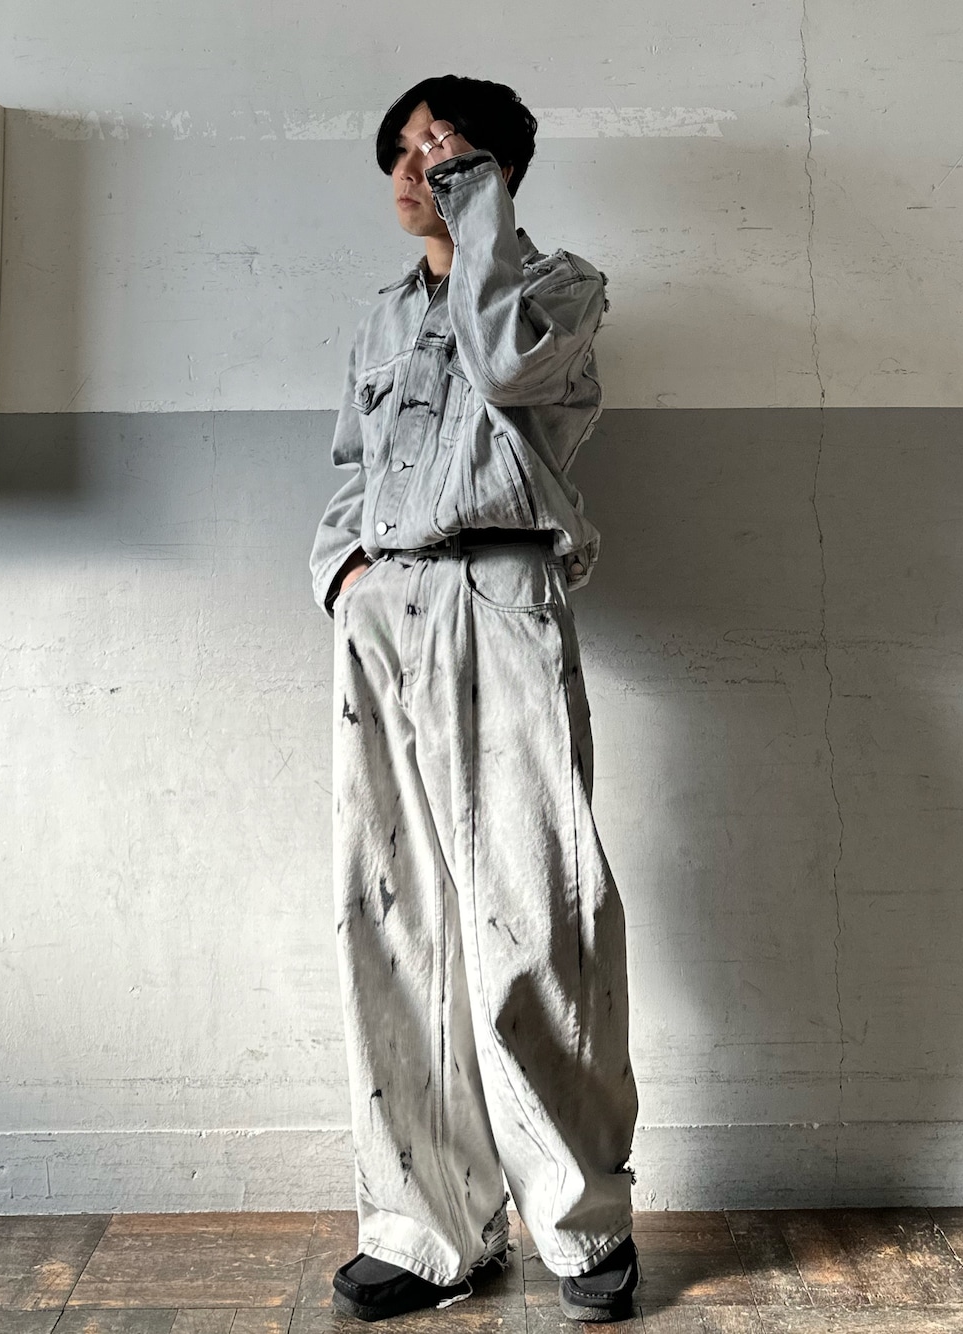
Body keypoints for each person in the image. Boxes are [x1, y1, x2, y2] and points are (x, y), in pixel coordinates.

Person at [308, 74, 640, 1324]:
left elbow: (505, 366)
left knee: (534, 911)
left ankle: (581, 1222)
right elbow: (352, 469)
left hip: (501, 596)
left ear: (495, 170)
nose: (414, 170)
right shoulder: (379, 317)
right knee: (391, 916)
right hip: (384, 611)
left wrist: (474, 205)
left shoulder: (561, 290)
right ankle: (426, 1223)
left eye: (441, 149)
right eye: (402, 150)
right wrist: (342, 575)